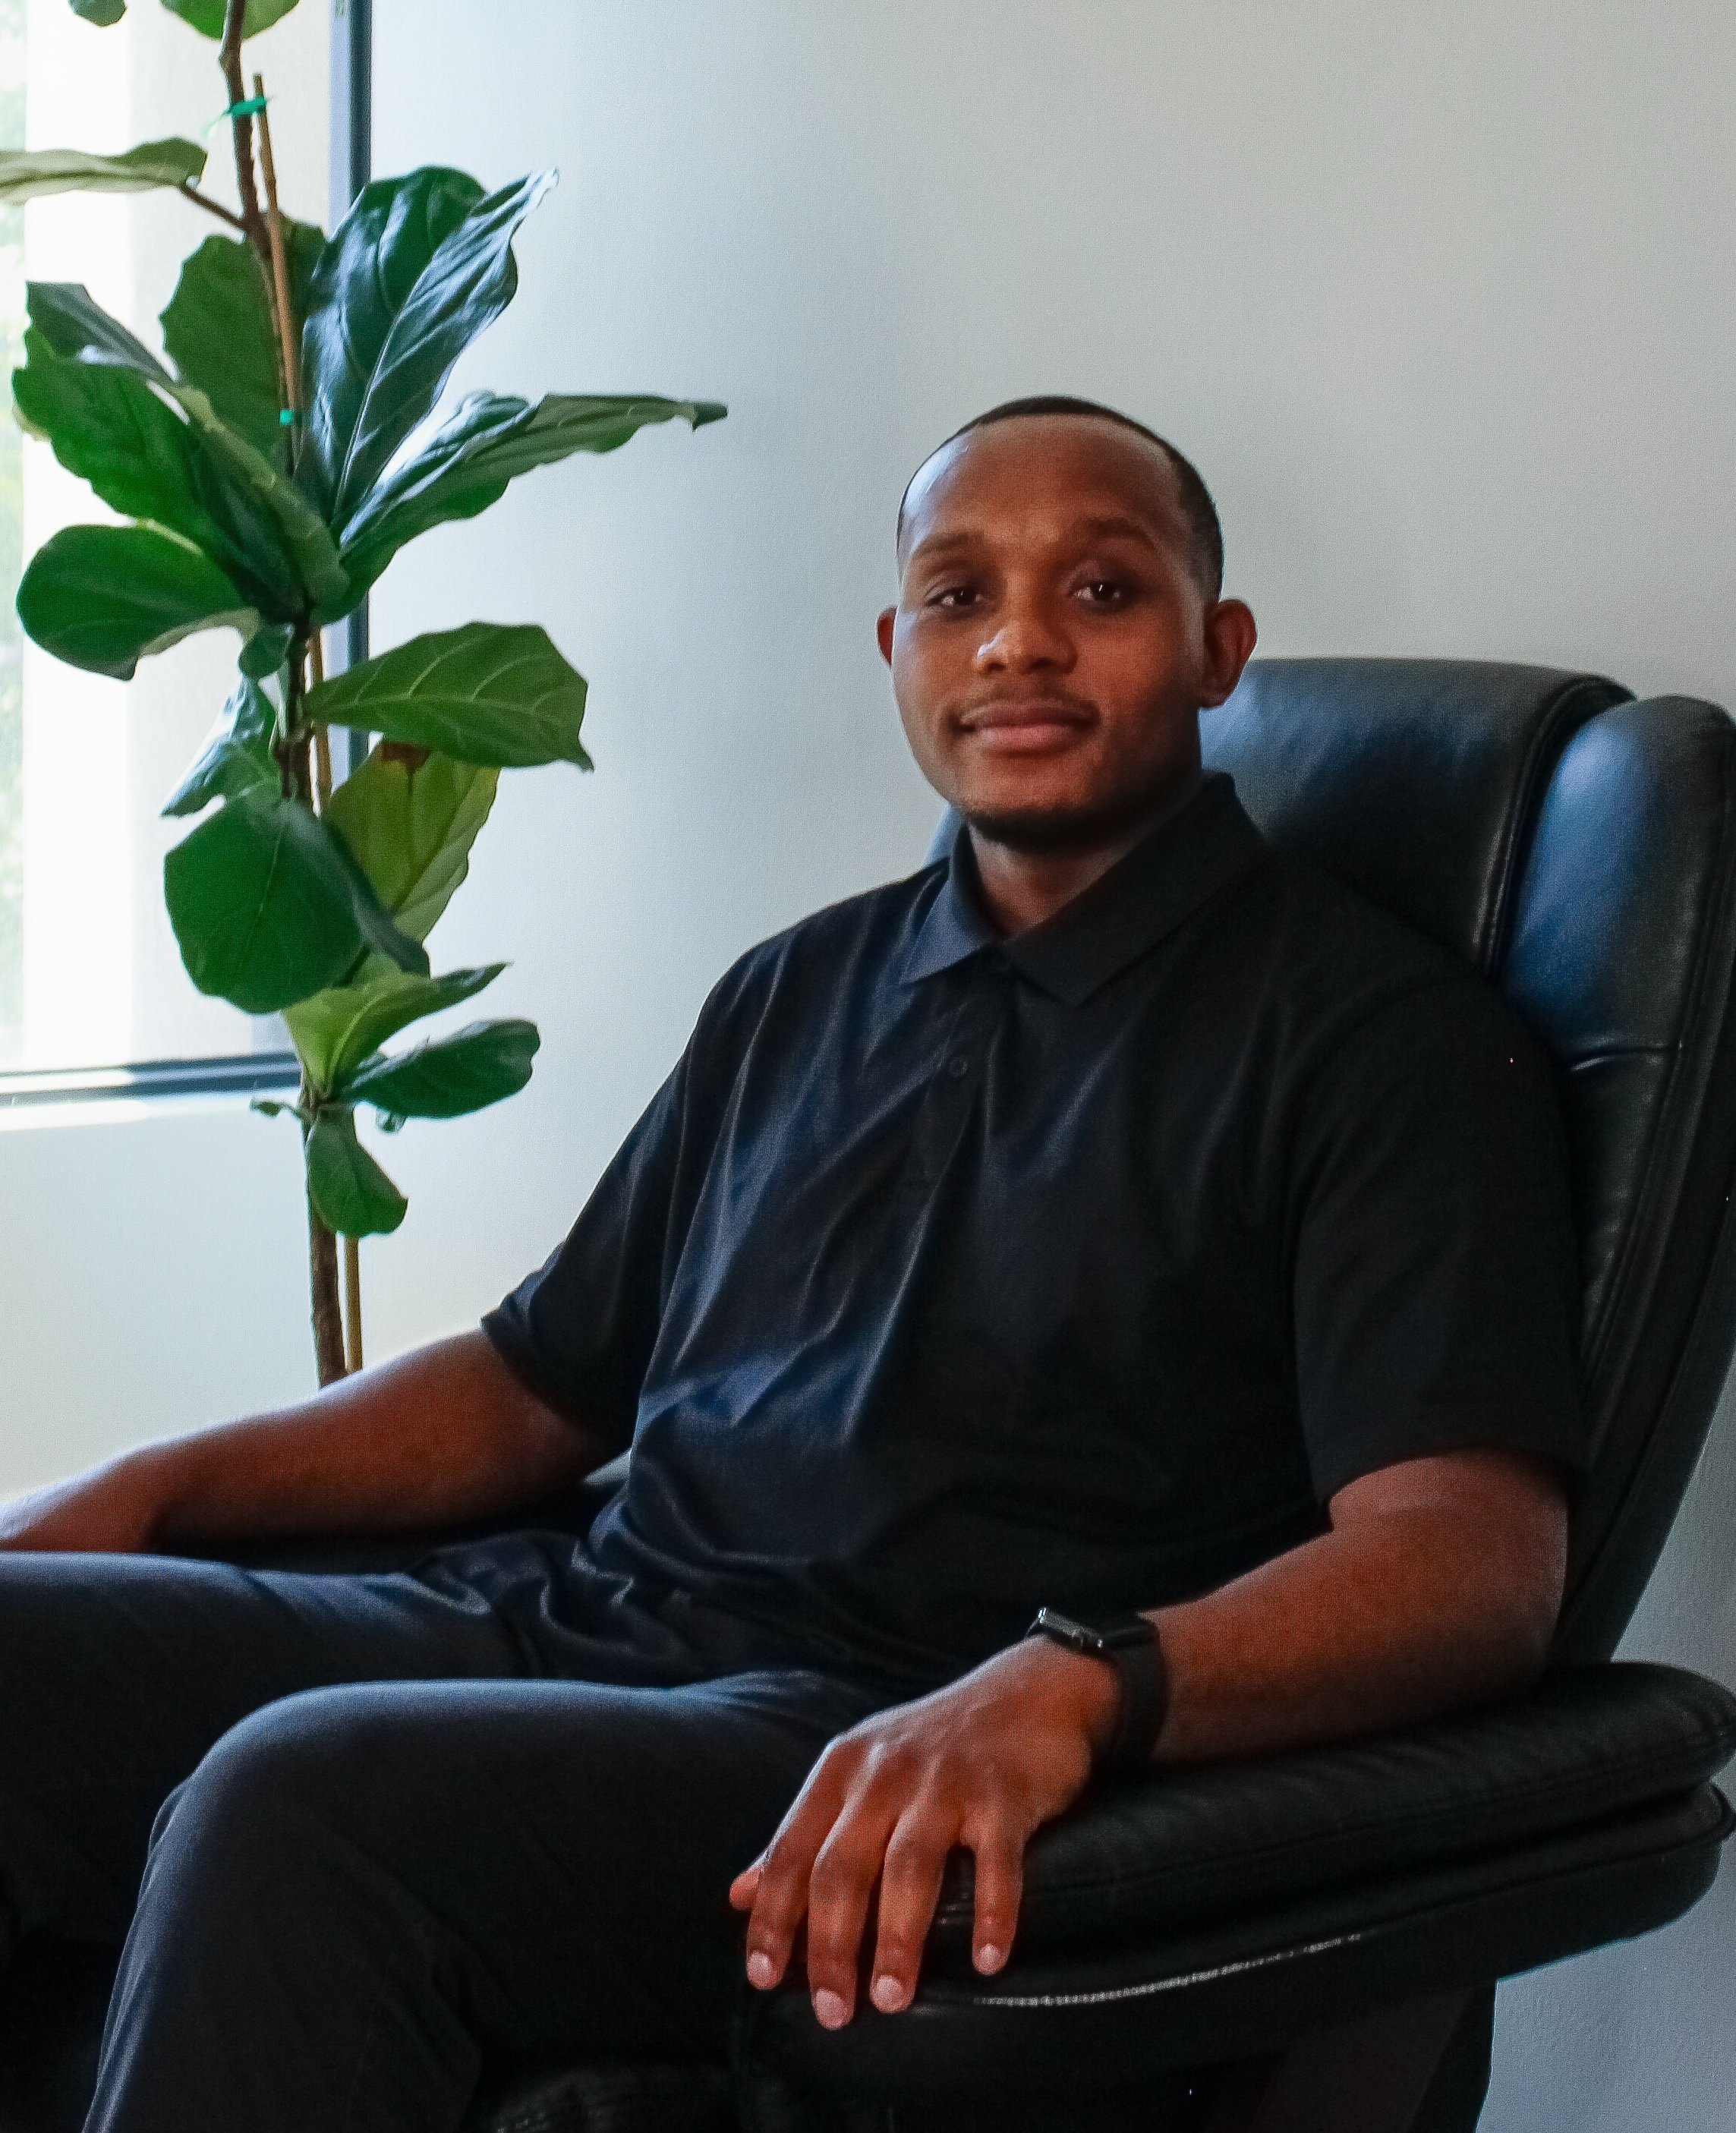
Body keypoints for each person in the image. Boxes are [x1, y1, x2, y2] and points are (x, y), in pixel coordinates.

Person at [0, 398, 1582, 2131]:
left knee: (296, 1804)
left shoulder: (1380, 1042)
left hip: (876, 1735)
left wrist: (1078, 1679)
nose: (1022, 641)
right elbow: (540, 1386)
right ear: (897, 646)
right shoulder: (797, 989)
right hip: (577, 1623)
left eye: (1104, 590)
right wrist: (148, 1490)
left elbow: (1467, 1561)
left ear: (1217, 653)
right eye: (960, 594)